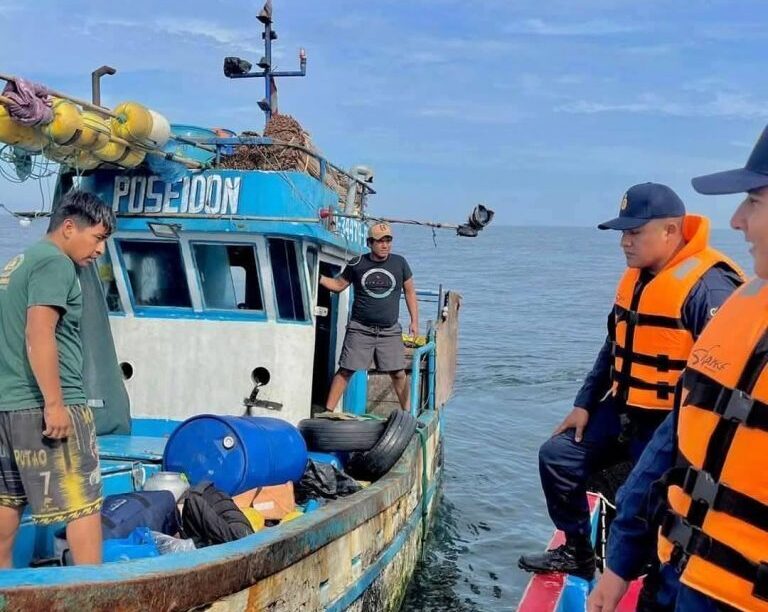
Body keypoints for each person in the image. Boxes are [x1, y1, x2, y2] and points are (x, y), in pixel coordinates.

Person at [518, 183, 744, 581]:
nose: (624, 242)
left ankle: (655, 574)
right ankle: (576, 552)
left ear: (671, 230)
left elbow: (729, 379)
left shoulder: (708, 287)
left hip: (671, 425)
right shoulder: (638, 279)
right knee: (557, 456)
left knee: (645, 500)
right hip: (622, 409)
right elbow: (614, 346)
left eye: (634, 232)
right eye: (623, 233)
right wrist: (584, 403)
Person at [589, 125, 768, 612]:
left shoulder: (712, 290)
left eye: (753, 201)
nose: (736, 220)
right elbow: (679, 438)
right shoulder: (744, 307)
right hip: (677, 576)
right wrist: (621, 563)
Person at [0, 190, 114, 566]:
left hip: (6, 407)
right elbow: (39, 332)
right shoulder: (55, 263)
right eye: (97, 238)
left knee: (6, 506)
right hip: (43, 406)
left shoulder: (18, 262)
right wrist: (55, 404)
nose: (100, 250)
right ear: (69, 227)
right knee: (84, 504)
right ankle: (91, 597)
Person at [319, 222, 418, 411]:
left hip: (389, 330)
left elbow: (410, 292)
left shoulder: (400, 263)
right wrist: (318, 277)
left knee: (398, 373)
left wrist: (414, 321)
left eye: (388, 240)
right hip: (360, 329)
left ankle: (408, 415)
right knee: (346, 370)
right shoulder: (357, 263)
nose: (385, 245)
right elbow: (338, 285)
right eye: (380, 241)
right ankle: (327, 412)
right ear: (370, 243)